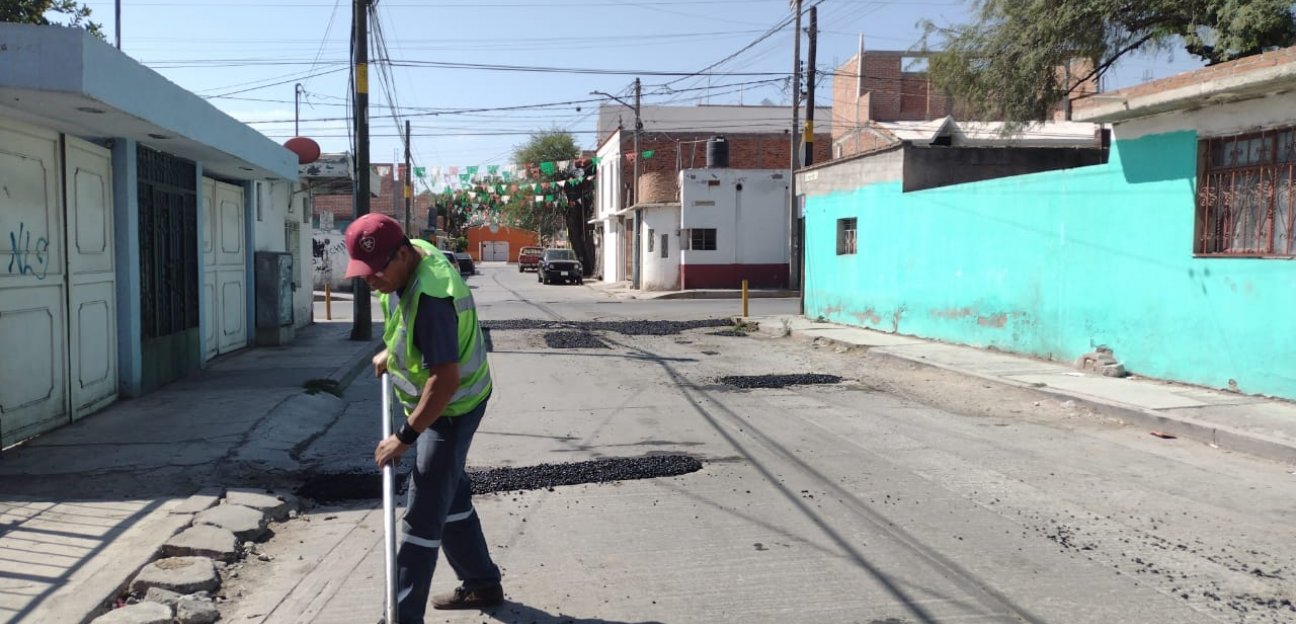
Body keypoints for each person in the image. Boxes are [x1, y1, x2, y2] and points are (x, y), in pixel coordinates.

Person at [342, 213, 503, 622]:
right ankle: (482, 582)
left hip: (452, 408)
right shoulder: (412, 257)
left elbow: (444, 381)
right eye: (363, 273)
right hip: (446, 401)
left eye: (375, 272)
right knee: (450, 498)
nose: (369, 281)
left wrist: (405, 436)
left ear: (402, 255)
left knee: (422, 515)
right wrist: (388, 353)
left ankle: (400, 617)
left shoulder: (432, 299)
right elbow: (404, 326)